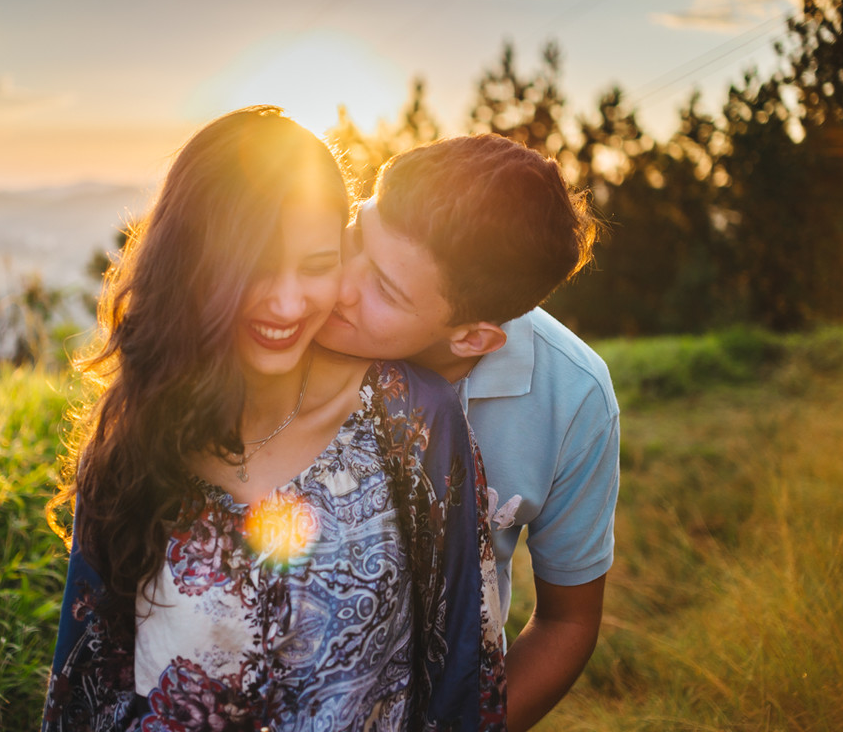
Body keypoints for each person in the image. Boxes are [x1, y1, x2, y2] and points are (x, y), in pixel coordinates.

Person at [41, 107, 507, 731]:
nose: (287, 302)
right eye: (257, 266)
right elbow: (86, 683)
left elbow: (464, 673)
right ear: (194, 264)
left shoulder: (410, 420)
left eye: (316, 265)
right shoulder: (136, 432)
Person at [315, 134, 619, 732]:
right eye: (356, 234)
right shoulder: (292, 314)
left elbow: (568, 621)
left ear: (472, 339)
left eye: (384, 288)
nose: (339, 284)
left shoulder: (575, 397)